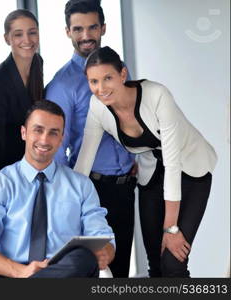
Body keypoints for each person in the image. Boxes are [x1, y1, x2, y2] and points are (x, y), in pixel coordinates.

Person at [74, 46, 217, 277]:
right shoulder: (97, 106)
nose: (101, 89)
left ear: (123, 74)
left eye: (108, 78)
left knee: (173, 261)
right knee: (156, 264)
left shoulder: (157, 95)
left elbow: (172, 165)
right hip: (152, 173)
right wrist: (63, 206)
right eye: (94, 81)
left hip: (190, 169)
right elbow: (83, 164)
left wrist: (171, 229)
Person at [0, 100, 115, 278]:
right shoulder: (1, 184)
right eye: (38, 130)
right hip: (12, 272)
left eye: (53, 133)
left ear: (61, 139)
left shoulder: (81, 185)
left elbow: (103, 237)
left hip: (64, 273)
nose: (44, 139)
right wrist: (22, 272)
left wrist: (105, 252)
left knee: (83, 258)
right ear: (24, 133)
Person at [45, 0, 135, 277]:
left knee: (119, 271)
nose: (86, 35)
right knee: (93, 273)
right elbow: (56, 147)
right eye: (78, 29)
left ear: (103, 28)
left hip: (125, 187)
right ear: (68, 32)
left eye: (92, 27)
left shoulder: (119, 70)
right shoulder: (62, 85)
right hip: (91, 190)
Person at [0, 9, 44, 176]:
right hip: (7, 170)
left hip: (33, 164)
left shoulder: (37, 63)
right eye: (18, 34)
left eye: (32, 33)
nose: (27, 40)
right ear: (6, 39)